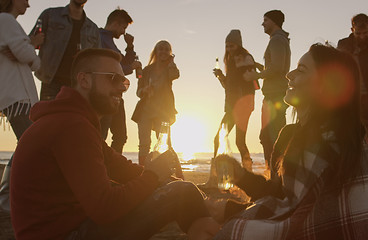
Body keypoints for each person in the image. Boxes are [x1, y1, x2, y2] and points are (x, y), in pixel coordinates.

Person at [10, 48, 219, 240]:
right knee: (182, 193)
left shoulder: (74, 122)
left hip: (70, 228)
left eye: (124, 82)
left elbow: (123, 169)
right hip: (65, 234)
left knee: (183, 191)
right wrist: (154, 176)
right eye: (113, 79)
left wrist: (168, 180)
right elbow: (105, 208)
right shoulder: (71, 126)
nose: (122, 88)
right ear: (84, 80)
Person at [209, 44, 368, 239]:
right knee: (188, 198)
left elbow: (290, 212)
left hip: (314, 230)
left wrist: (229, 212)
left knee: (198, 217)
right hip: (304, 223)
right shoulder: (295, 135)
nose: (289, 75)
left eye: (301, 69)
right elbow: (283, 196)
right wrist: (241, 177)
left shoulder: (331, 141)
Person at [0, 0, 43, 212]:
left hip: (17, 97)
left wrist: (26, 45)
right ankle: (6, 199)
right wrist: (32, 54)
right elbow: (27, 56)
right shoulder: (6, 20)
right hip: (18, 97)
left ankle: (7, 197)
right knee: (30, 145)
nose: (28, 3)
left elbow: (19, 51)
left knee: (26, 145)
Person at [244, 10, 291, 171]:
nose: (262, 23)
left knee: (271, 138)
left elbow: (277, 68)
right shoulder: (279, 39)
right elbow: (276, 66)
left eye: (265, 20)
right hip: (274, 95)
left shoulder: (277, 40)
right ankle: (274, 174)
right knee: (270, 137)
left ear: (274, 21)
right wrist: (260, 67)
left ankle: (274, 176)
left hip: (275, 96)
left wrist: (255, 75)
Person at [30, 0, 100, 101]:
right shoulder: (50, 15)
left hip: (77, 86)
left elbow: (97, 61)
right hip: (51, 82)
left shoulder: (93, 29)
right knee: (49, 116)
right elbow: (31, 41)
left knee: (73, 117)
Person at [132, 40, 181, 175]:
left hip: (163, 111)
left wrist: (171, 63)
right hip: (145, 111)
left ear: (170, 53)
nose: (163, 52)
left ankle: (178, 175)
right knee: (144, 144)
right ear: (155, 51)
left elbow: (175, 75)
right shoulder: (146, 70)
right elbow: (138, 92)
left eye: (167, 49)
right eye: (161, 49)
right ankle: (141, 173)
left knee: (166, 144)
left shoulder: (169, 69)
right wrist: (145, 90)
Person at [213, 29, 258, 170]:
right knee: (232, 140)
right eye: (227, 46)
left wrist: (244, 66)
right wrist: (221, 76)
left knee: (227, 139)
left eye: (232, 45)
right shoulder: (231, 62)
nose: (229, 49)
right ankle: (245, 170)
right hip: (232, 106)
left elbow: (249, 81)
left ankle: (219, 173)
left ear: (239, 45)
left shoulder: (244, 58)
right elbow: (229, 87)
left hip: (242, 106)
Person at [337, 13, 368, 155]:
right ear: (352, 29)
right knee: (348, 136)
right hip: (349, 98)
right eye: (358, 33)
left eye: (365, 33)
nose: (362, 36)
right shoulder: (343, 44)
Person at [99, 8, 142, 153]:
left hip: (117, 95)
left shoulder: (110, 41)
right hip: (105, 94)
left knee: (121, 136)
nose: (124, 32)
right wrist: (131, 67)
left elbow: (122, 62)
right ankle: (99, 168)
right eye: (123, 27)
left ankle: (111, 169)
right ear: (116, 23)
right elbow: (112, 68)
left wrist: (130, 47)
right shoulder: (99, 38)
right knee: (101, 135)